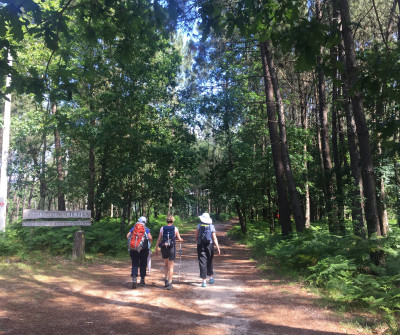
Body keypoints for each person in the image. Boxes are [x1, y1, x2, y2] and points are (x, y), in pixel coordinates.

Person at [155, 215, 184, 290]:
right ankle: (170, 283)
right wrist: (181, 240)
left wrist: (156, 248)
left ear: (167, 221)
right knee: (171, 266)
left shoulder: (162, 228)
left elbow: (159, 239)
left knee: (166, 264)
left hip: (164, 247)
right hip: (171, 248)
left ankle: (166, 280)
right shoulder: (175, 228)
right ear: (173, 221)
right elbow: (179, 238)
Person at [195, 213, 220, 287]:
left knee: (202, 262)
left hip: (201, 245)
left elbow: (196, 236)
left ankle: (204, 281)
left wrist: (197, 241)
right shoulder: (211, 226)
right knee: (209, 260)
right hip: (210, 245)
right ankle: (211, 278)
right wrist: (218, 247)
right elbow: (214, 238)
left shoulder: (199, 225)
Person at [127, 216, 152, 289]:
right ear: (145, 222)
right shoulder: (146, 229)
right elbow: (150, 238)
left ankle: (134, 279)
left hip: (133, 249)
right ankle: (142, 280)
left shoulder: (133, 228)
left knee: (134, 264)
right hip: (144, 249)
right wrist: (149, 244)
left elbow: (127, 236)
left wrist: (131, 243)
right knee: (143, 264)